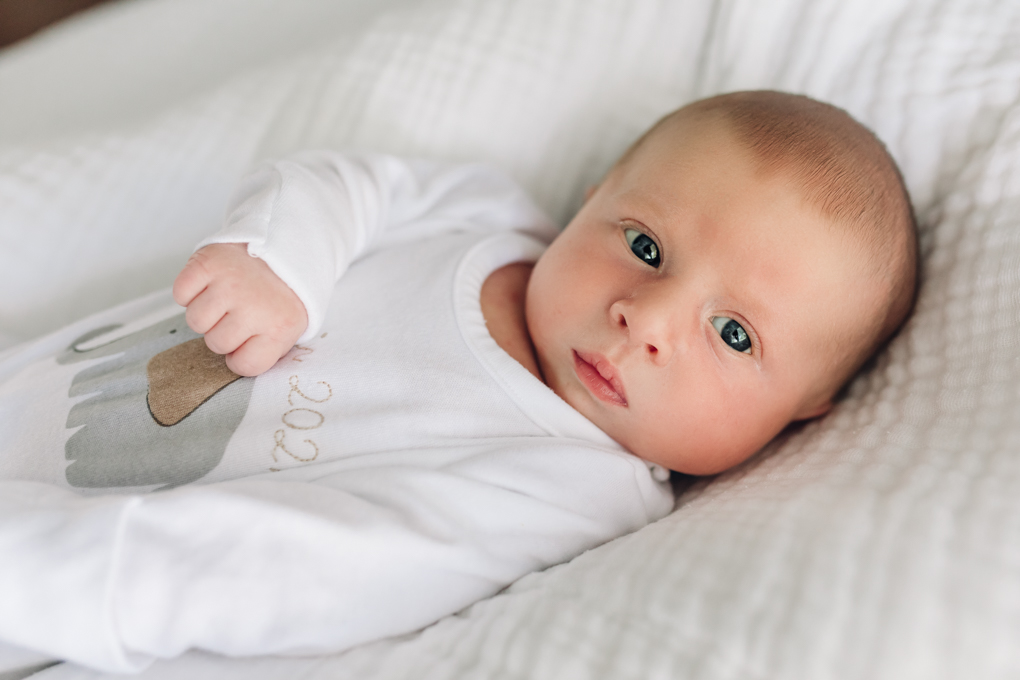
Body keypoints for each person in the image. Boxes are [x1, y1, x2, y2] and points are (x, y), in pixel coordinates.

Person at [0, 90, 916, 673]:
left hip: (53, 572)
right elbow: (344, 185)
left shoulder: (565, 490)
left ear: (803, 414)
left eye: (733, 333)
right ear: (597, 194)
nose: (649, 318)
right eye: (644, 245)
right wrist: (280, 258)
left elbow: (285, 572)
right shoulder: (485, 220)